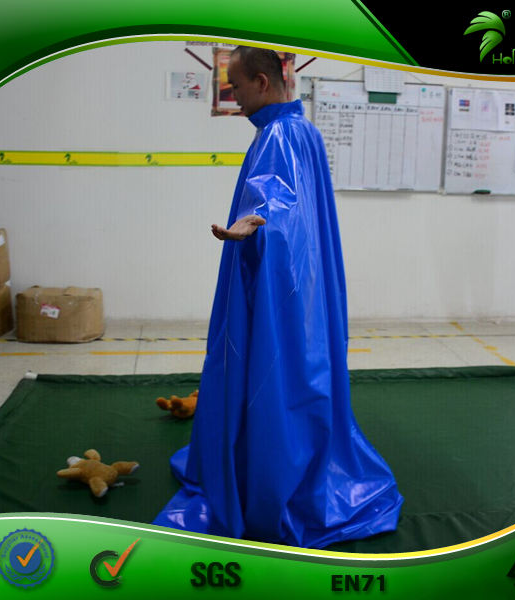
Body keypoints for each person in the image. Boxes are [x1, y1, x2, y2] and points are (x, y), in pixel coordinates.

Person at [153, 46, 403, 549]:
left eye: (238, 86)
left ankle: (267, 475)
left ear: (262, 83)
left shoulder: (278, 136)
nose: (235, 97)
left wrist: (257, 219)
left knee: (270, 369)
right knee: (300, 367)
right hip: (301, 285)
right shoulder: (304, 131)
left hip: (278, 286)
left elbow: (278, 200)